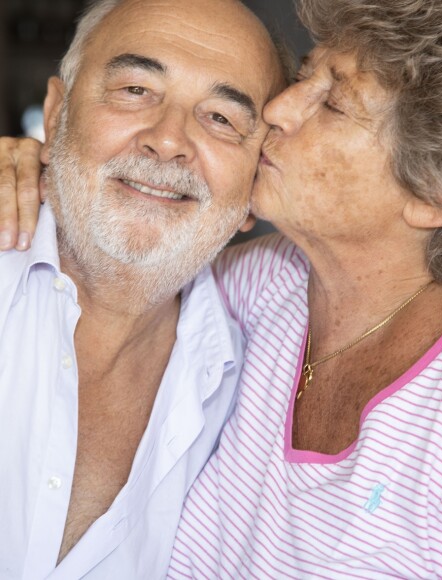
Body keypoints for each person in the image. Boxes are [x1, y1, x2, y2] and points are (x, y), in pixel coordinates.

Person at [2, 0, 442, 578]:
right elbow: (134, 239)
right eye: (304, 75)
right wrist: (40, 158)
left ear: (439, 192)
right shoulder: (263, 289)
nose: (275, 111)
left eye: (331, 101)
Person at [0, 0, 285, 578]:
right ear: (55, 117)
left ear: (259, 181)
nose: (168, 140)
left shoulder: (257, 387)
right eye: (135, 89)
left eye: (222, 119)